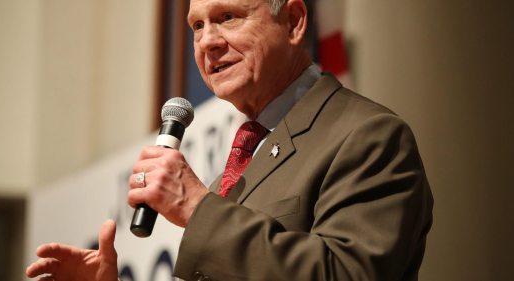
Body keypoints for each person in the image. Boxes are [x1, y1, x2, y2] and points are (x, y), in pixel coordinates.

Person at [26, 0, 433, 280]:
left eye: (229, 17)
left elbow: (346, 274)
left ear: (293, 21)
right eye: (197, 26)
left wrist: (196, 206)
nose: (207, 42)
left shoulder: (369, 136)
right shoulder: (241, 161)